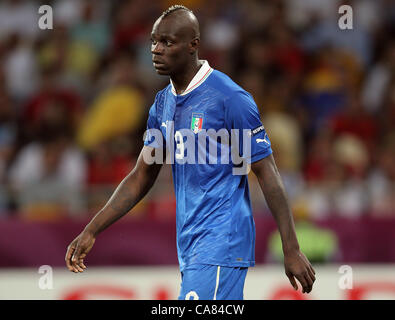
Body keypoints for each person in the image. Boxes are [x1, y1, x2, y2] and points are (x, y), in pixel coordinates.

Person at [65, 5, 315, 300]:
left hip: (222, 240)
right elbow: (141, 175)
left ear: (193, 45)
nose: (156, 50)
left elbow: (267, 172)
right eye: (154, 41)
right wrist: (92, 230)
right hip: (190, 245)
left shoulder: (229, 98)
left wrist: (291, 247)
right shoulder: (162, 104)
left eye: (167, 42)